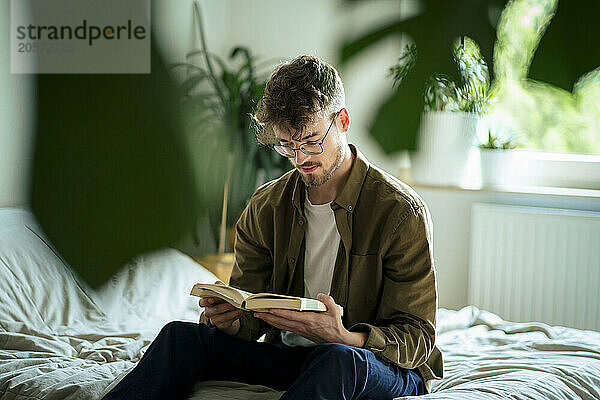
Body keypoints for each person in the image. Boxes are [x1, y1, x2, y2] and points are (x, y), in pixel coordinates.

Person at [103, 54, 443, 400]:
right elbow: (251, 312)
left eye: (311, 140)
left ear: (342, 120)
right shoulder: (266, 207)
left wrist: (341, 335)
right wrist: (232, 319)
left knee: (336, 359)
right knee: (181, 338)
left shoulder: (400, 212)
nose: (300, 159)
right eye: (287, 145)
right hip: (291, 357)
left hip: (373, 364)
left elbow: (416, 337)